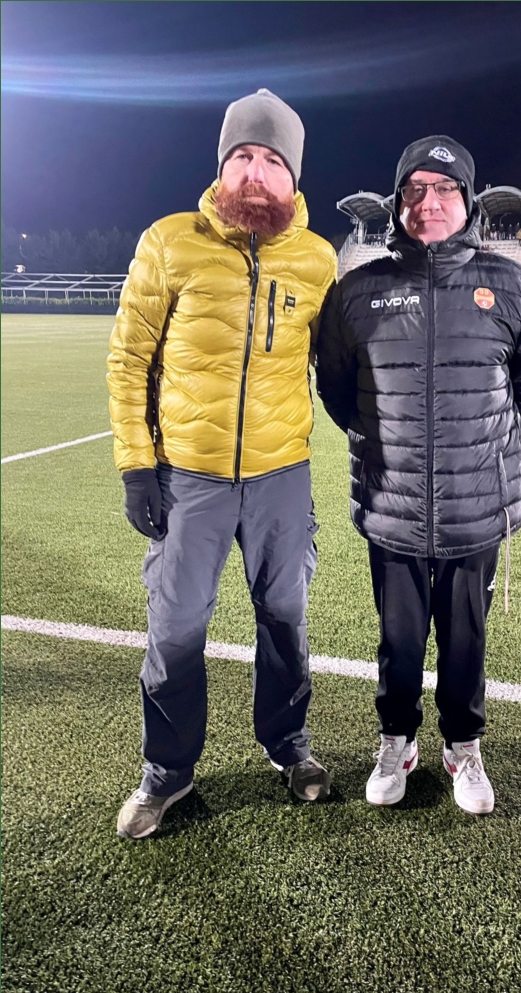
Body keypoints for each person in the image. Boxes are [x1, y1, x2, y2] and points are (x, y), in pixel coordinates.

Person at [108, 89, 338, 839]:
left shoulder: (317, 259)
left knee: (285, 619)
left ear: (293, 177)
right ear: (221, 165)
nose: (255, 172)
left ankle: (288, 745)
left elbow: (336, 368)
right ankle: (167, 771)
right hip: (188, 478)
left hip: (282, 476)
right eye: (242, 155)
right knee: (175, 627)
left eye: (271, 160)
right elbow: (128, 361)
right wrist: (137, 465)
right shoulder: (169, 242)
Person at [316, 136, 521, 816]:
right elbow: (337, 389)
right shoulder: (357, 290)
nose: (430, 202)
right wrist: (385, 445)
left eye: (445, 189)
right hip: (390, 502)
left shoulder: (509, 283)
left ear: (468, 201)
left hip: (474, 505)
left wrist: (480, 449)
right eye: (415, 189)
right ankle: (396, 740)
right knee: (397, 640)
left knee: (464, 640)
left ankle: (462, 746)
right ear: (398, 203)